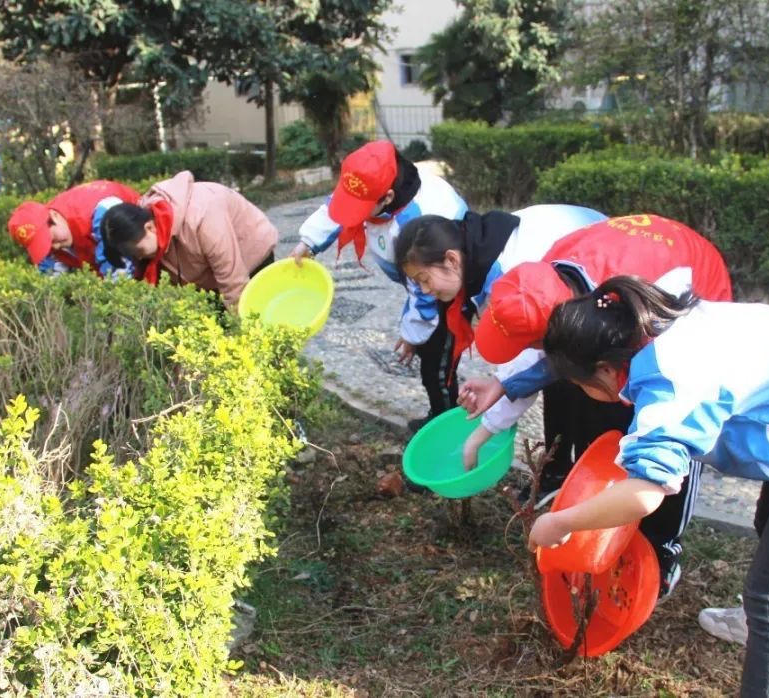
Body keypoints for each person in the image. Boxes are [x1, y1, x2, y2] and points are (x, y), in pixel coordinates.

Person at [530, 275, 769, 698]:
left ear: (604, 370)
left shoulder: (672, 384)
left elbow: (644, 492)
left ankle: (759, 629)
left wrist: (560, 521)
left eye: (581, 385)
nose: (583, 393)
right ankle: (752, 621)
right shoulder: (656, 325)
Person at [456, 213, 733, 598]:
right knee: (597, 407)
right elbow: (548, 355)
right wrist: (503, 385)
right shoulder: (547, 270)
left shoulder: (651, 328)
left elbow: (568, 358)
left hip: (688, 288)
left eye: (535, 345)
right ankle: (601, 518)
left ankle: (662, 551)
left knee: (665, 432)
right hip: (629, 286)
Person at [290, 141, 468, 431]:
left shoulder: (419, 222)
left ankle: (446, 426)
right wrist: (308, 241)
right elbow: (337, 205)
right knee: (428, 359)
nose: (355, 212)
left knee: (437, 366)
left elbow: (425, 297)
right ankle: (440, 415)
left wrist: (413, 334)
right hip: (422, 282)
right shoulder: (374, 188)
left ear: (387, 197)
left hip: (445, 296)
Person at [394, 204, 608, 403]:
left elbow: (539, 355)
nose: (425, 291)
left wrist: (494, 407)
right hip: (581, 263)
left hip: (605, 273)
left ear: (451, 260)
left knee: (587, 380)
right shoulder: (475, 247)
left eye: (424, 279)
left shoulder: (511, 281)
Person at [100, 170, 277, 307]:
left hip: (249, 255)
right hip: (205, 270)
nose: (138, 258)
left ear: (150, 227)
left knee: (257, 317)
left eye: (138, 251)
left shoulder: (203, 219)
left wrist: (240, 333)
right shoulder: (149, 228)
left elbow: (234, 283)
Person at [8, 180, 141, 277]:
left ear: (54, 216)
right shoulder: (49, 235)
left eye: (52, 239)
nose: (54, 247)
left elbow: (119, 274)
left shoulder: (102, 214)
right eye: (45, 245)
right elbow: (52, 279)